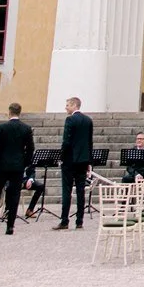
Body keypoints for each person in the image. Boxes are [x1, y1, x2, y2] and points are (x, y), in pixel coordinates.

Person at [0, 102, 34, 236]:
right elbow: (31, 149)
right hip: (17, 166)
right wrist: (24, 163)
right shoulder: (26, 128)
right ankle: (10, 227)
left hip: (2, 166)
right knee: (14, 196)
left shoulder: (2, 127)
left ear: (9, 112)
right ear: (19, 112)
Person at [56, 96, 94, 230]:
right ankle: (79, 221)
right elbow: (89, 142)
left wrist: (61, 156)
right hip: (83, 160)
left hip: (70, 160)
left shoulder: (70, 119)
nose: (66, 107)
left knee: (67, 191)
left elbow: (66, 140)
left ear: (74, 105)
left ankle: (65, 220)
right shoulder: (88, 120)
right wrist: (89, 160)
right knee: (80, 191)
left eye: (67, 105)